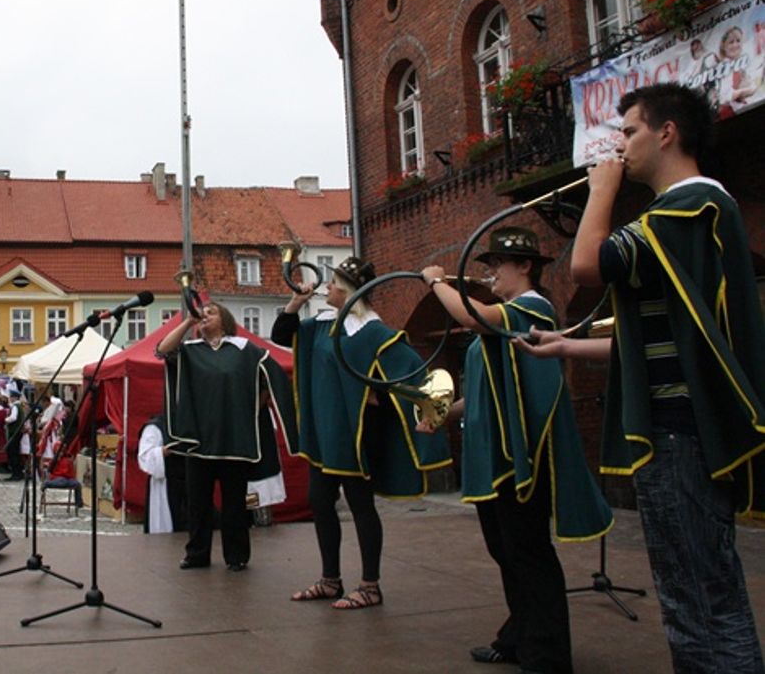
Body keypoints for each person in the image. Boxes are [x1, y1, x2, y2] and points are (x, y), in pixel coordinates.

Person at [560, 82, 765, 672]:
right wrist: (565, 346)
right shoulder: (692, 211)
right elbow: (664, 336)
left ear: (666, 132)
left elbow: (586, 265)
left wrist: (602, 191)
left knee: (698, 600)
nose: (621, 147)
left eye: (629, 132)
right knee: (698, 596)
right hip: (684, 435)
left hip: (680, 436)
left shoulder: (689, 205)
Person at [421, 227, 612, 674]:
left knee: (527, 552)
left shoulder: (531, 308)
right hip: (496, 457)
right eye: (486, 268)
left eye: (496, 267)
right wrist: (441, 415)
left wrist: (436, 282)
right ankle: (518, 637)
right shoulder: (503, 316)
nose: (490, 276)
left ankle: (546, 654)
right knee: (507, 551)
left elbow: (472, 317)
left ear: (525, 266)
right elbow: (486, 390)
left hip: (521, 454)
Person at [272, 257, 452, 610]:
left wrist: (382, 396)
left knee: (359, 504)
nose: (328, 288)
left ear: (351, 291)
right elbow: (281, 335)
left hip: (354, 433)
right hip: (325, 430)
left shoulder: (375, 333)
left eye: (334, 283)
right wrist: (296, 301)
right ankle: (330, 579)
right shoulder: (324, 326)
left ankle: (370, 585)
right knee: (320, 501)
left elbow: (410, 374)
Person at [155, 301, 293, 572]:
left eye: (211, 312)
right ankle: (197, 553)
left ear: (225, 320)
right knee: (198, 504)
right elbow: (162, 350)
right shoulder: (190, 351)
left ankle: (237, 556)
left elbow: (273, 376)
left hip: (234, 439)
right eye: (202, 313)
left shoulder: (245, 350)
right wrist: (187, 322)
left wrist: (255, 405)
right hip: (199, 441)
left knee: (234, 504)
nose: (205, 315)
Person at [136, 414, 187, 534]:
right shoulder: (155, 427)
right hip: (165, 482)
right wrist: (164, 451)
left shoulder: (190, 423)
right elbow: (145, 457)